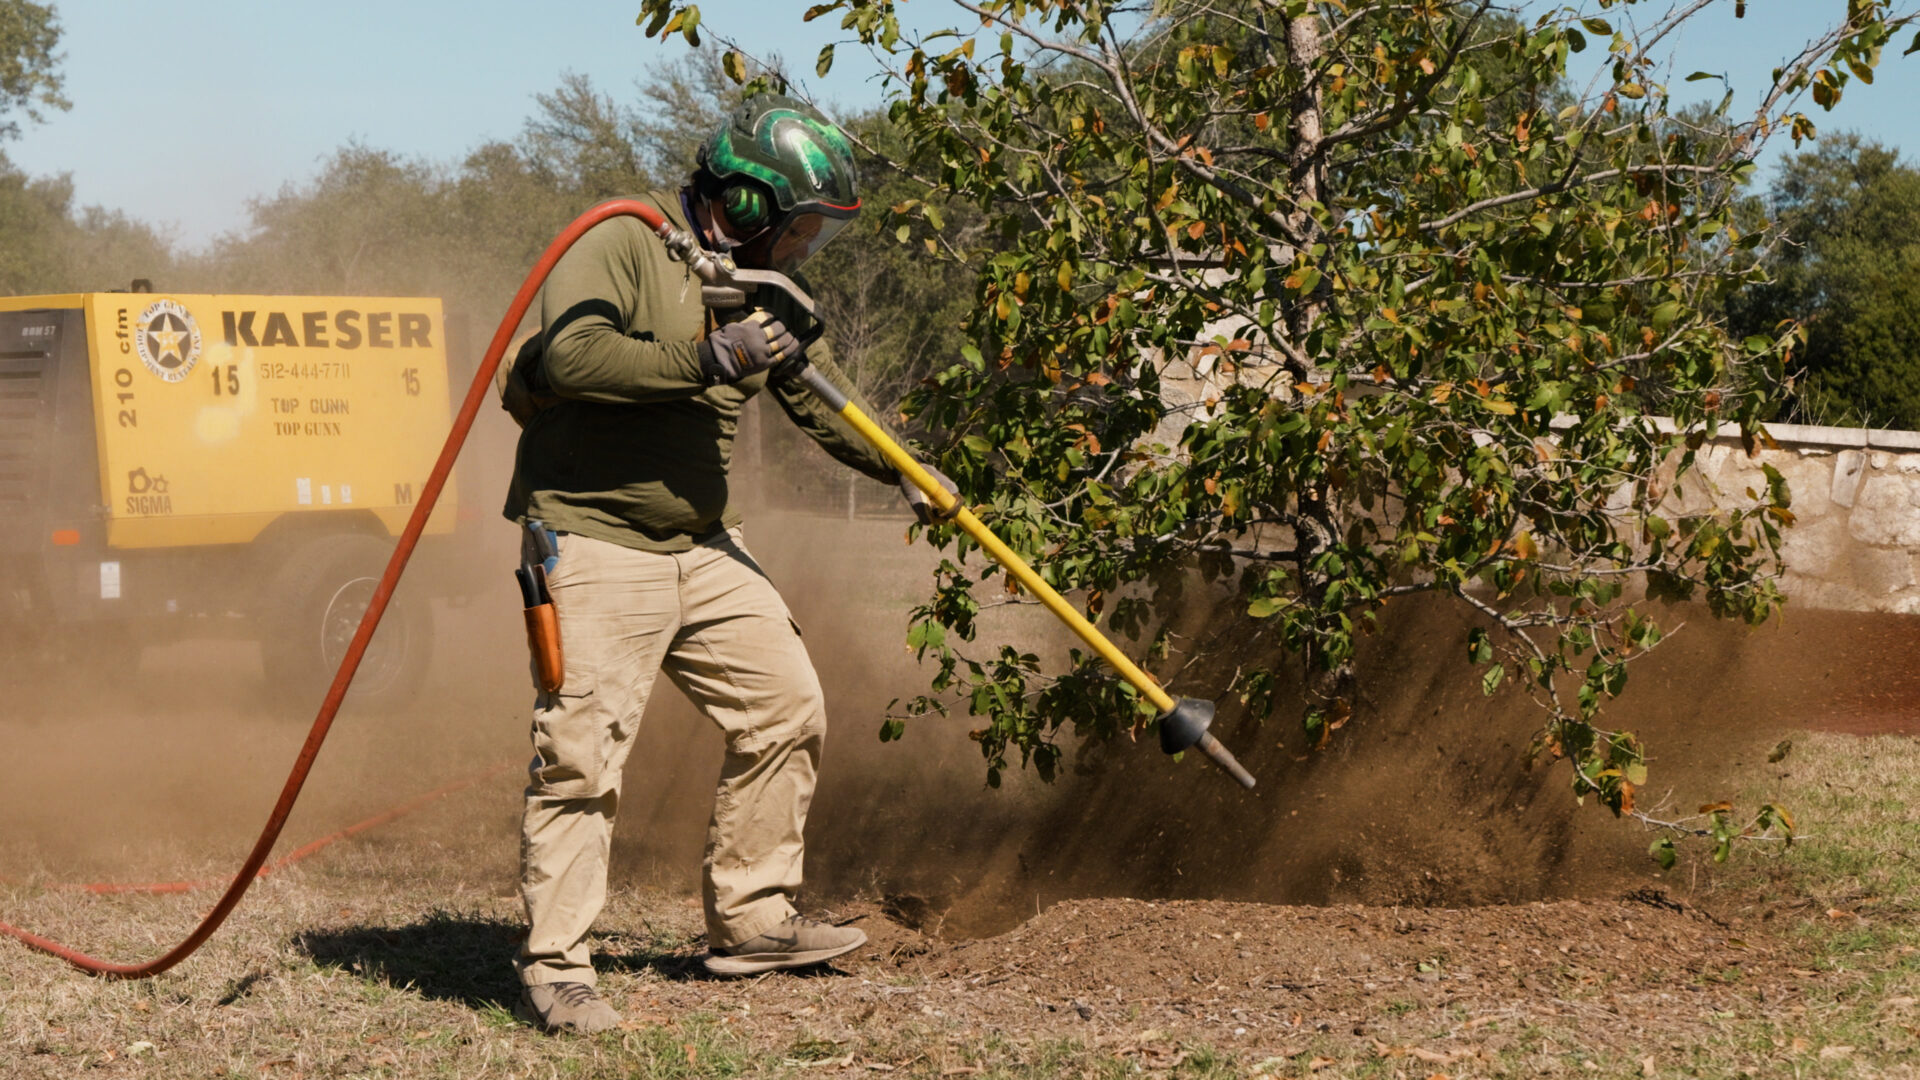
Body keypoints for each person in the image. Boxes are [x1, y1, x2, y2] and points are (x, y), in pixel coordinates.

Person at [501, 94, 956, 1034]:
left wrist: (907, 472)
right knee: (582, 758)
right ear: (747, 202)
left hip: (703, 546)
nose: (799, 252)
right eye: (797, 230)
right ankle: (558, 968)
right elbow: (573, 356)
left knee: (786, 708)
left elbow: (824, 402)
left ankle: (753, 923)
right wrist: (710, 354)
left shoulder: (759, 293)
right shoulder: (625, 242)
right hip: (592, 540)